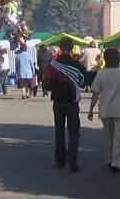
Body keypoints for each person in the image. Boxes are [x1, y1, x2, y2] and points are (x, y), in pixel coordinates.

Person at [88, 48, 120, 172]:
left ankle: (108, 159)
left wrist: (91, 109)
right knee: (119, 137)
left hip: (105, 108)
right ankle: (117, 162)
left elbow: (95, 93)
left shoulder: (101, 74)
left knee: (108, 135)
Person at [42, 38, 86, 172]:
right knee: (73, 132)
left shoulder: (53, 63)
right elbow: (83, 82)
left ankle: (60, 160)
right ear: (72, 49)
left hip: (57, 101)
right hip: (72, 101)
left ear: (60, 48)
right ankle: (72, 161)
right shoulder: (77, 64)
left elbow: (46, 81)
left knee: (59, 131)